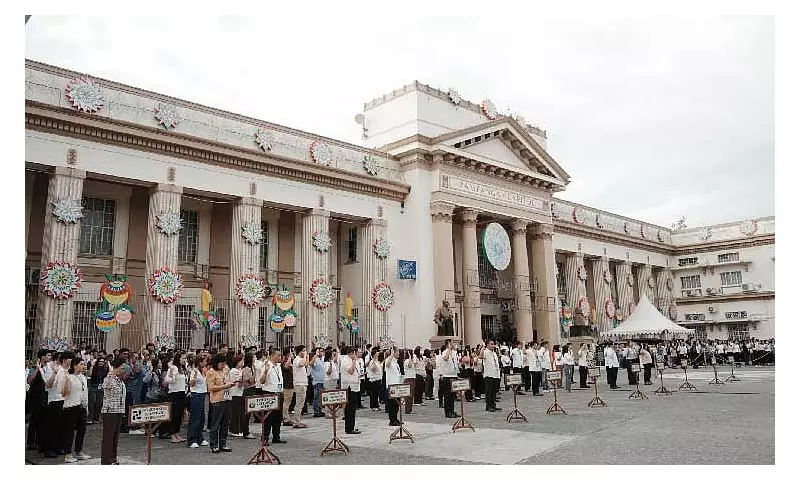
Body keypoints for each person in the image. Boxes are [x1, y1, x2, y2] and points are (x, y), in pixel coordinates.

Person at [43, 350, 73, 459]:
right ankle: (50, 449)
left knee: (63, 427)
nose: (72, 361)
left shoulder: (69, 371)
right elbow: (48, 385)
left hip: (66, 401)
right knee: (53, 427)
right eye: (70, 359)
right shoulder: (55, 369)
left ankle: (60, 447)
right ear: (64, 360)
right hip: (55, 401)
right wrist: (54, 373)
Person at [62, 357, 91, 463]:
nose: (83, 366)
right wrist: (67, 381)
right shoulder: (69, 377)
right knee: (69, 431)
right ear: (74, 365)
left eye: (84, 364)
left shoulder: (83, 377)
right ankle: (68, 454)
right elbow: (64, 393)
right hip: (71, 406)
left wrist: (86, 407)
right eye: (81, 364)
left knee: (82, 430)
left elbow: (85, 393)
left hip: (82, 407)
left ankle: (79, 451)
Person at [100, 357, 126, 465]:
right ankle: (106, 460)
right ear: (116, 368)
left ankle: (113, 458)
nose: (123, 370)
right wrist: (110, 373)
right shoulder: (109, 378)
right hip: (110, 411)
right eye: (121, 368)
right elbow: (105, 386)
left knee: (115, 436)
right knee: (108, 437)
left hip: (119, 410)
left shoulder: (120, 379)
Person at [206, 354, 234, 453]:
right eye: (222, 364)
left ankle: (223, 444)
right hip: (217, 401)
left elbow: (225, 382)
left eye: (224, 364)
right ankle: (214, 444)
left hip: (226, 399)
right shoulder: (211, 372)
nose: (223, 366)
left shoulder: (223, 371)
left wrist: (229, 384)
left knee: (225, 423)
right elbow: (211, 388)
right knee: (215, 424)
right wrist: (225, 386)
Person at [26, 349, 51, 452]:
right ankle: (31, 442)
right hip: (35, 396)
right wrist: (37, 368)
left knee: (42, 419)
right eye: (48, 355)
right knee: (34, 419)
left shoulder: (49, 367)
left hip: (45, 395)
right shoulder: (34, 367)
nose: (50, 357)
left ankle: (39, 441)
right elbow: (29, 380)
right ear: (42, 357)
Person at [263, 348, 286, 444]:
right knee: (269, 417)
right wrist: (265, 372)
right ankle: (265, 438)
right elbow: (262, 381)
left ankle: (276, 436)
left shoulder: (278, 366)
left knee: (278, 417)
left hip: (279, 392)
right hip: (270, 393)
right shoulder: (266, 365)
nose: (280, 357)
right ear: (272, 356)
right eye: (278, 355)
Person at [187, 356, 209, 448]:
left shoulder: (203, 371)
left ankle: (200, 438)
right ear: (199, 362)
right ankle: (192, 439)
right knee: (195, 418)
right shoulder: (194, 371)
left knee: (201, 418)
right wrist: (195, 376)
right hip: (196, 395)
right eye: (204, 361)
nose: (205, 363)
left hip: (202, 395)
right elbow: (191, 384)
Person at [165, 352, 187, 443]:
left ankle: (177, 433)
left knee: (179, 415)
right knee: (174, 415)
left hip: (182, 393)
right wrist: (172, 373)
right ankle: (172, 434)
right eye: (183, 358)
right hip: (174, 394)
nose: (185, 360)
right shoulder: (174, 368)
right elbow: (168, 380)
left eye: (185, 358)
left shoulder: (183, 369)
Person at [340, 346, 362, 434]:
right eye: (356, 353)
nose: (357, 355)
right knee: (350, 408)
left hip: (354, 386)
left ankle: (351, 426)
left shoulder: (351, 360)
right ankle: (349, 428)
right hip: (349, 386)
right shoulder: (345, 360)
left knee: (353, 408)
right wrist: (354, 361)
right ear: (352, 353)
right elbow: (351, 371)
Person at [439, 340, 459, 418]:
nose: (455, 344)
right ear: (449, 344)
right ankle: (448, 412)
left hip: (453, 375)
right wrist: (449, 349)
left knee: (452, 396)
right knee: (448, 395)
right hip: (447, 376)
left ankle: (452, 410)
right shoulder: (445, 352)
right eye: (453, 343)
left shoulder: (454, 353)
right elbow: (445, 358)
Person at [480, 339, 501, 412]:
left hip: (495, 374)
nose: (493, 345)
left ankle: (493, 405)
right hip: (489, 375)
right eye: (491, 344)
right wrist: (483, 348)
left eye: (493, 344)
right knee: (489, 392)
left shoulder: (494, 353)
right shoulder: (485, 352)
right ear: (487, 345)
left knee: (494, 392)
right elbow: (480, 357)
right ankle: (488, 406)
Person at [291, 345, 309, 428]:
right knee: (299, 403)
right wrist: (305, 356)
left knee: (301, 403)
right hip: (299, 384)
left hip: (302, 383)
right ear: (300, 351)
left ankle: (297, 420)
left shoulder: (300, 359)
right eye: (304, 351)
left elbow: (306, 364)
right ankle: (296, 422)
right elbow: (303, 363)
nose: (305, 352)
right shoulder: (297, 359)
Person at [383, 347, 402, 426]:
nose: (399, 353)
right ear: (393, 352)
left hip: (397, 385)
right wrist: (391, 355)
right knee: (392, 404)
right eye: (397, 352)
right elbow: (387, 365)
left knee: (396, 404)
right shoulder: (389, 360)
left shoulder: (396, 362)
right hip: (391, 386)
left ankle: (395, 419)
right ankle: (392, 420)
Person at [87, 355, 108, 424]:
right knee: (92, 402)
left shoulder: (104, 369)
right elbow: (90, 374)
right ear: (97, 362)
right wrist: (92, 366)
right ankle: (90, 418)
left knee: (99, 403)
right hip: (93, 387)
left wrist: (108, 365)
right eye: (100, 361)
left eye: (103, 362)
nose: (101, 363)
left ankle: (96, 418)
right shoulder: (94, 368)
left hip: (101, 387)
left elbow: (108, 374)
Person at [309, 347, 325, 418]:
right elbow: (311, 364)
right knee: (316, 397)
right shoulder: (315, 359)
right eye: (320, 351)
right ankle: (316, 411)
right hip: (317, 381)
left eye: (322, 351)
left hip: (322, 381)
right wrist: (315, 356)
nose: (322, 352)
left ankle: (320, 410)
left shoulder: (322, 359)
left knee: (320, 397)